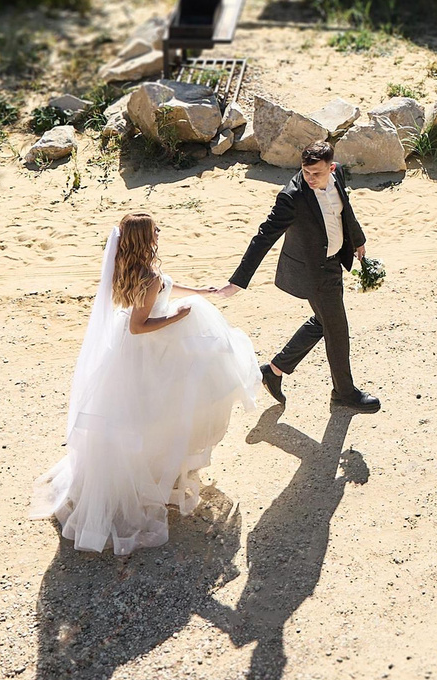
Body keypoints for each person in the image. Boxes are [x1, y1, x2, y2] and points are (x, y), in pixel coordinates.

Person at [29, 212, 266, 554]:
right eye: (155, 229)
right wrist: (178, 315)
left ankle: (154, 472)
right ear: (146, 238)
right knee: (162, 413)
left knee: (137, 415)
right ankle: (154, 476)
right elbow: (139, 325)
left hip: (128, 353)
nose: (159, 232)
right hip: (150, 349)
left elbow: (162, 287)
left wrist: (200, 290)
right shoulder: (148, 275)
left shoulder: (126, 267)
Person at [215, 138, 381, 414]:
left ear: (332, 167)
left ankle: (275, 370)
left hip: (335, 262)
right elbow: (263, 236)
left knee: (323, 321)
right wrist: (237, 282)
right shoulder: (291, 197)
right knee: (337, 329)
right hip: (314, 272)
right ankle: (344, 392)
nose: (311, 178)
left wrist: (358, 241)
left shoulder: (337, 175)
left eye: (317, 173)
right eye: (306, 172)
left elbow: (344, 210)